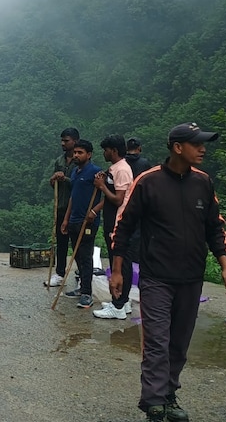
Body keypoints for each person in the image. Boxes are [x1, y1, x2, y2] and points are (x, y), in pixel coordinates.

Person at [110, 122, 226, 421]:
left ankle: (169, 394)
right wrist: (117, 270)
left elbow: (214, 226)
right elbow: (123, 226)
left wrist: (225, 265)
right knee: (157, 340)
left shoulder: (203, 183)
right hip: (157, 277)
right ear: (178, 147)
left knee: (179, 342)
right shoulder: (148, 182)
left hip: (191, 278)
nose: (203, 149)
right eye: (197, 144)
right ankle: (154, 401)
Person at [91, 135, 134, 320]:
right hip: (112, 221)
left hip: (118, 223)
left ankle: (118, 305)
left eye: (106, 149)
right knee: (120, 261)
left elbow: (118, 199)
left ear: (114, 151)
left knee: (121, 263)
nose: (104, 153)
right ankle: (122, 301)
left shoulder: (123, 169)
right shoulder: (114, 168)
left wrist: (101, 187)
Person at [60, 139, 102, 309]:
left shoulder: (96, 172)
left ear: (89, 154)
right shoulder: (76, 173)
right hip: (74, 220)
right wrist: (65, 219)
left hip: (88, 222)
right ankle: (81, 288)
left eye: (80, 153)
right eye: (75, 152)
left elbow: (108, 196)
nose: (76, 155)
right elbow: (72, 198)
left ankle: (87, 293)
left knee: (85, 256)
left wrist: (94, 211)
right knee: (77, 255)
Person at [47, 128, 80, 287]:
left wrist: (65, 178)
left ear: (74, 141)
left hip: (75, 209)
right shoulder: (59, 161)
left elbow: (80, 184)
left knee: (77, 243)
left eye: (66, 140)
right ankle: (60, 273)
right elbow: (53, 184)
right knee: (61, 242)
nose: (63, 143)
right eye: (62, 140)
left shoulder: (80, 161)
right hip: (60, 207)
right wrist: (54, 179)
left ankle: (81, 275)